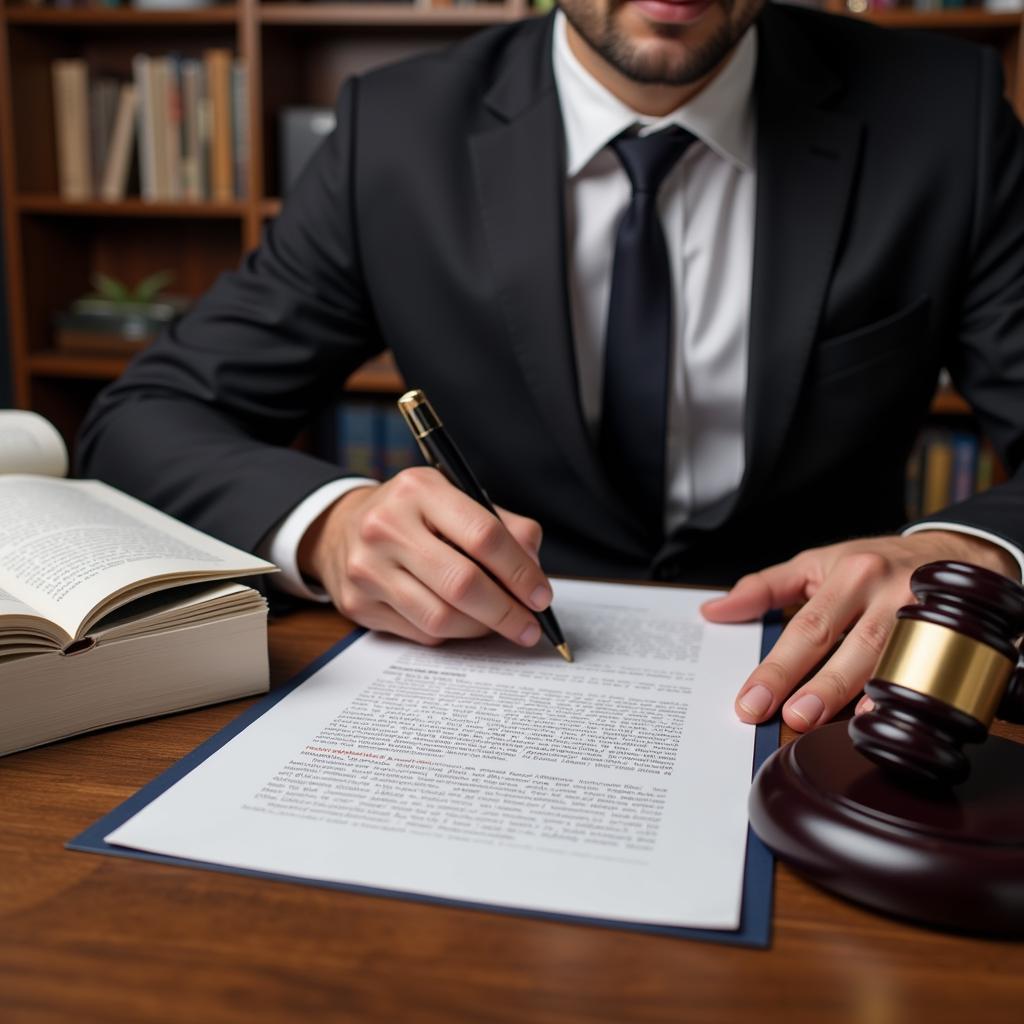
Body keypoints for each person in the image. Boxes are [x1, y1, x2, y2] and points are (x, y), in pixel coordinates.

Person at [77, 0, 1024, 735]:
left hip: (832, 699)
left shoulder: (951, 114)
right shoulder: (393, 132)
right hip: (498, 673)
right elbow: (145, 415)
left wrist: (972, 554)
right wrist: (334, 526)